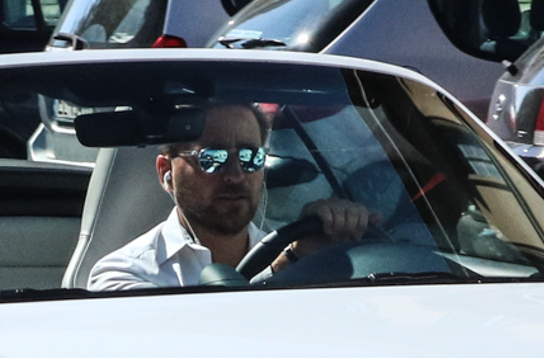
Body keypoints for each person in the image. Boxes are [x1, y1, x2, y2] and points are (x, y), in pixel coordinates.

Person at [85, 103, 375, 291]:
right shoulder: (124, 275)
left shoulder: (297, 252)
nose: (235, 175)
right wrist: (286, 266)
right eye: (212, 158)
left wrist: (326, 257)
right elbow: (196, 347)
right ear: (166, 173)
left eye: (250, 157)